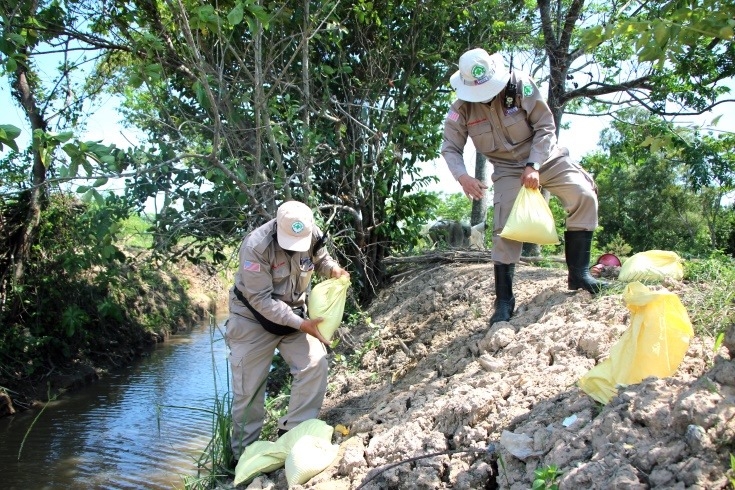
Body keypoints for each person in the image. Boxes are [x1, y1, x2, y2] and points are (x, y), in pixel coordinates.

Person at [441, 48, 606, 326]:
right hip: (506, 169)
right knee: (504, 228)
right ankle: (504, 301)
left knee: (583, 194)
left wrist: (535, 165)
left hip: (545, 157)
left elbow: (545, 126)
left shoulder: (520, 86)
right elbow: (450, 148)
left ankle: (579, 274)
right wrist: (463, 176)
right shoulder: (461, 109)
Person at [225, 200, 350, 460]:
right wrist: (302, 324)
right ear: (277, 228)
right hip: (251, 318)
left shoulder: (313, 234)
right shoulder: (255, 246)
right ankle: (242, 458)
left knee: (314, 362)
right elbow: (260, 300)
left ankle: (292, 435)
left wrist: (333, 269)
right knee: (248, 391)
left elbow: (321, 259)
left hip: (293, 312)